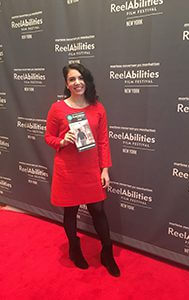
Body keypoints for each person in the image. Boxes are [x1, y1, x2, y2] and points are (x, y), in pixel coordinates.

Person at [45, 63, 120, 277]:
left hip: (91, 170)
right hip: (67, 170)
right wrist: (62, 141)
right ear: (67, 84)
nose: (77, 82)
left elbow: (104, 141)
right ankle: (74, 249)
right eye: (72, 79)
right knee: (71, 211)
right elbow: (48, 137)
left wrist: (104, 170)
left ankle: (107, 253)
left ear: (86, 81)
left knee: (98, 211)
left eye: (80, 78)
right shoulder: (57, 109)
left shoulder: (98, 107)